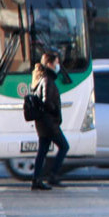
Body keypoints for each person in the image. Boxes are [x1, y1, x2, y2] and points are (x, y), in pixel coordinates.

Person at [30, 51, 68, 191]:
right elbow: (46, 102)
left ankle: (36, 180)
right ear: (50, 64)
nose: (58, 65)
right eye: (57, 62)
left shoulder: (43, 78)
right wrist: (55, 110)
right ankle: (52, 175)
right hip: (49, 123)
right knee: (64, 146)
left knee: (42, 151)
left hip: (44, 123)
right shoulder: (47, 80)